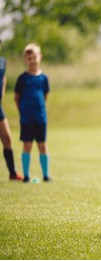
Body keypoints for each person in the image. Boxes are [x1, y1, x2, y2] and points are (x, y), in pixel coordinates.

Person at [14, 43, 51, 183]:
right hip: (26, 119)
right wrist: (22, 112)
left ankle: (46, 175)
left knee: (42, 145)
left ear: (39, 57)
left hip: (40, 118)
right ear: (26, 60)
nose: (32, 60)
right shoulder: (22, 78)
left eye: (34, 57)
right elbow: (17, 97)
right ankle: (26, 175)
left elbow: (45, 96)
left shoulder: (44, 78)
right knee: (27, 145)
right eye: (29, 58)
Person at [0, 39, 23, 181]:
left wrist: (2, 93)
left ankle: (12, 173)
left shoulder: (2, 61)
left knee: (7, 138)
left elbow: (3, 78)